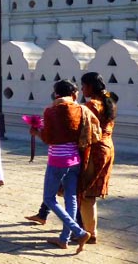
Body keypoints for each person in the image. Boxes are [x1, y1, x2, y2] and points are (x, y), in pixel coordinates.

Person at [31, 79, 92, 253]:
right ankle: (63, 239)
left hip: (57, 160)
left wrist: (37, 131)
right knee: (70, 199)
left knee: (49, 198)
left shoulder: (51, 111)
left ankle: (79, 231)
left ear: (56, 93)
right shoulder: (80, 109)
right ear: (73, 94)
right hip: (75, 159)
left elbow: (49, 138)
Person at [78, 72, 118, 244]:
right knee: (90, 193)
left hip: (96, 149)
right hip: (108, 147)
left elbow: (83, 129)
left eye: (83, 85)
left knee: (87, 193)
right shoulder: (108, 100)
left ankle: (90, 233)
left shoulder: (92, 105)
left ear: (90, 87)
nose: (81, 89)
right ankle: (88, 229)